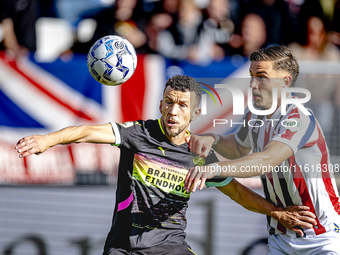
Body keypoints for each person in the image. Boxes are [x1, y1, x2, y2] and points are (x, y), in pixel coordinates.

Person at [15, 75, 316, 255]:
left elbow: (236, 192)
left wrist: (276, 212)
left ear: (195, 112)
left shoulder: (199, 154)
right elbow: (86, 132)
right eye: (169, 102)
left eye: (183, 105)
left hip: (169, 248)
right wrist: (48, 140)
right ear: (160, 105)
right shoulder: (138, 134)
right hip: (123, 247)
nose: (174, 111)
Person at [185, 46, 340, 254]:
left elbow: (267, 160)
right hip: (281, 237)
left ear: (285, 82)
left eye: (261, 76)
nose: (252, 84)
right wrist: (214, 138)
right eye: (251, 76)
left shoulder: (298, 117)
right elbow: (238, 148)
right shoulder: (255, 114)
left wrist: (215, 168)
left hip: (322, 237)